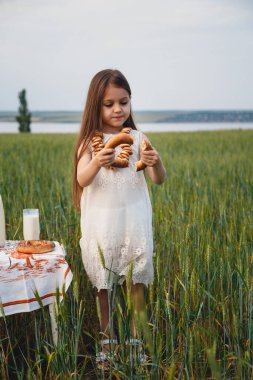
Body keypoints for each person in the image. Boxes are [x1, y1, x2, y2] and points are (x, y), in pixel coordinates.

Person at [72, 69, 166, 368]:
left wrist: (156, 161)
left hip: (134, 221)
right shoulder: (91, 141)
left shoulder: (138, 138)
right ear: (95, 106)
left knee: (136, 282)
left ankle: (137, 340)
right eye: (109, 104)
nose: (117, 110)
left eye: (123, 102)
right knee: (104, 286)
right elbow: (82, 179)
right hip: (102, 223)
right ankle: (107, 340)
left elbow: (158, 179)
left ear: (130, 102)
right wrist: (98, 161)